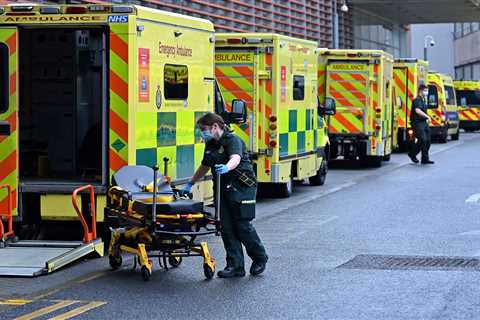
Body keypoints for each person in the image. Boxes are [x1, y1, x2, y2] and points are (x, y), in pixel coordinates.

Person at [180, 112, 268, 278]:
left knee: (242, 226)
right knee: (226, 227)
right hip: (222, 188)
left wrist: (227, 167)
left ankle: (260, 258)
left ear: (215, 126)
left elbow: (235, 158)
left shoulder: (232, 140)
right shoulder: (211, 144)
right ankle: (235, 266)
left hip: (241, 187)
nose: (202, 133)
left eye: (203, 129)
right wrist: (191, 183)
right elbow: (205, 166)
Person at [408, 84, 434, 165]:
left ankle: (423, 158)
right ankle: (415, 155)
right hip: (417, 123)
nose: (426, 92)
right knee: (422, 139)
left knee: (428, 140)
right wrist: (427, 117)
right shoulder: (417, 100)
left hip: (424, 123)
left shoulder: (423, 100)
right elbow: (417, 111)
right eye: (425, 91)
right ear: (421, 91)